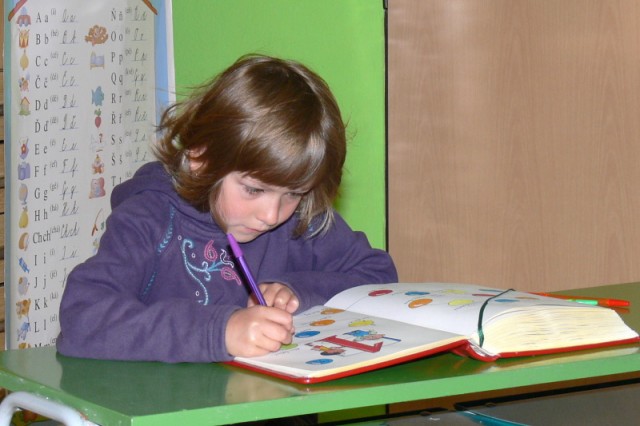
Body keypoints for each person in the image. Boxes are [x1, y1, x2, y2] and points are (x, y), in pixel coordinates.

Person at [56, 54, 398, 363]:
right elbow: (82, 317)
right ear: (201, 158)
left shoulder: (300, 219)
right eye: (253, 189)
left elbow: (378, 276)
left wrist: (298, 289)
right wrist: (220, 332)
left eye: (294, 193)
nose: (271, 215)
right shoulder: (149, 218)